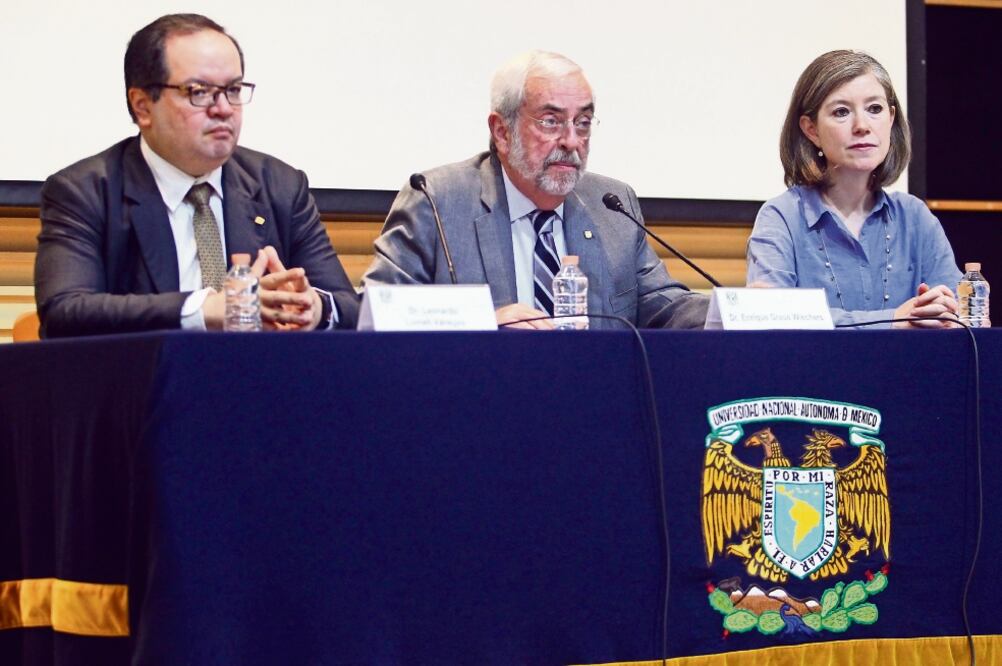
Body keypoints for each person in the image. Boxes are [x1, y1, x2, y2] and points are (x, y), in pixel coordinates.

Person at [35, 13, 359, 338]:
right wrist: (204, 310)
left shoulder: (280, 186)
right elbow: (66, 312)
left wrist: (314, 307)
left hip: (264, 381)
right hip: (149, 384)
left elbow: (350, 308)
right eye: (199, 91)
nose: (223, 108)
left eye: (233, 89)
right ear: (143, 106)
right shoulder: (85, 192)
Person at [362, 50, 707, 330]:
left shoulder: (610, 206)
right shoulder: (437, 201)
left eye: (583, 123)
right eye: (551, 121)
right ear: (501, 131)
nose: (572, 141)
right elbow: (378, 310)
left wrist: (738, 312)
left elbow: (666, 308)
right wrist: (483, 326)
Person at [746, 50, 961, 328]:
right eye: (841, 112)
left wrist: (949, 315)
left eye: (874, 109)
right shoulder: (781, 217)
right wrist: (894, 321)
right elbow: (770, 320)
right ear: (811, 130)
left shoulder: (914, 217)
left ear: (891, 118)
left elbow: (958, 314)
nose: (862, 126)